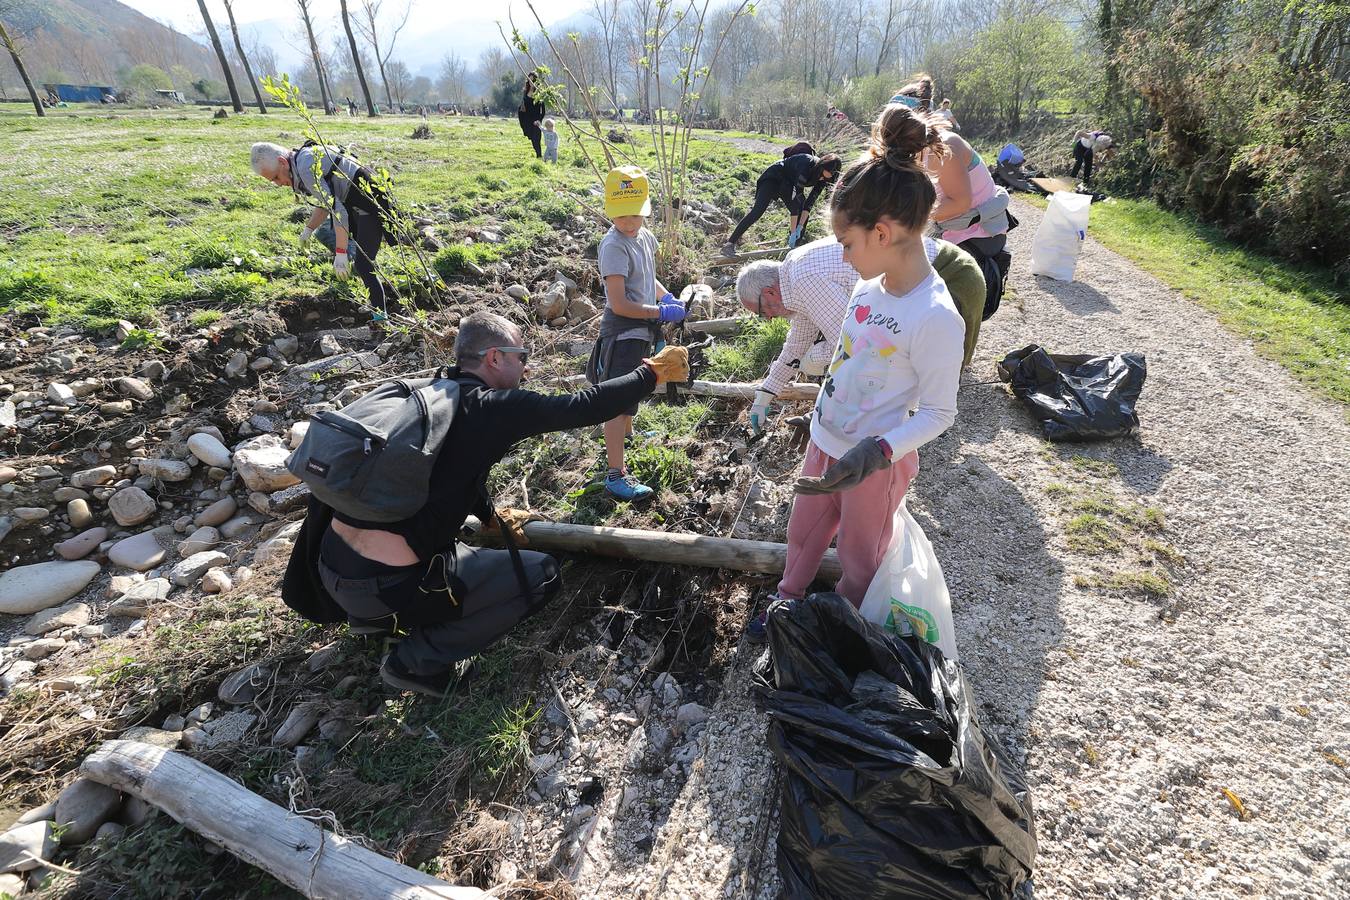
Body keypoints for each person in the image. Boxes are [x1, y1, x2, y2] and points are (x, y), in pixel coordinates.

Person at [284, 311, 690, 697]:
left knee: (456, 554)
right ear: (495, 358)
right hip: (387, 588)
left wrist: (488, 515)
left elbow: (454, 471)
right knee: (540, 575)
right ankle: (414, 661)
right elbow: (585, 407)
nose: (527, 368)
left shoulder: (431, 398)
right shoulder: (490, 406)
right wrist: (650, 373)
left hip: (330, 568)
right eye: (522, 357)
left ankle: (374, 621)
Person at [747, 104, 965, 641]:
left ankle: (846, 629)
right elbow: (844, 357)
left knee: (860, 556)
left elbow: (940, 412)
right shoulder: (867, 288)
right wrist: (799, 403)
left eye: (847, 244)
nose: (842, 258)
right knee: (804, 532)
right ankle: (788, 603)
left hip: (873, 464)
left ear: (883, 233)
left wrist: (880, 451)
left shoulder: (935, 316)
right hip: (826, 438)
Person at [738, 235, 987, 437]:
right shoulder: (793, 280)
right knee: (893, 362)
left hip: (952, 273)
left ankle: (928, 424)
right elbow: (796, 346)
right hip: (925, 274)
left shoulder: (803, 280)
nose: (767, 318)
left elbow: (847, 342)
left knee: (935, 365)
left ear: (770, 292)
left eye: (761, 311)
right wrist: (765, 395)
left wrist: (814, 358)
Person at [587, 165, 687, 501]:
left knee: (633, 388)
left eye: (635, 216)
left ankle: (630, 433)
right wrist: (660, 311)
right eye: (621, 217)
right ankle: (616, 474)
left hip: (642, 327)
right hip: (623, 331)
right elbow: (618, 304)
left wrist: (665, 296)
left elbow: (645, 277)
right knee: (615, 402)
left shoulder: (643, 237)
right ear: (610, 212)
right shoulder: (613, 246)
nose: (629, 223)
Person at [250, 141, 395, 314]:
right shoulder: (302, 160)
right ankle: (377, 305)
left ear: (282, 162)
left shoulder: (304, 168)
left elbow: (337, 210)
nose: (278, 184)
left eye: (275, 177)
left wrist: (341, 252)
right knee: (364, 259)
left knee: (363, 264)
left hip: (369, 199)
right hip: (357, 197)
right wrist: (308, 229)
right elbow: (326, 201)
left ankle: (381, 317)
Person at [721, 152, 842, 257]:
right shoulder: (806, 165)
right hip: (774, 177)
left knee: (803, 215)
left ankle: (794, 248)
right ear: (820, 168)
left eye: (825, 178)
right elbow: (796, 203)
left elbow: (809, 204)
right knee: (757, 211)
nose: (821, 179)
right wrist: (793, 230)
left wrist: (800, 227)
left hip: (787, 184)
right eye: (821, 175)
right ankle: (729, 244)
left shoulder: (824, 179)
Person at [518, 73, 546, 159]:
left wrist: (539, 120)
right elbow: (523, 104)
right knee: (532, 140)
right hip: (527, 119)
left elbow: (543, 110)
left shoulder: (539, 93)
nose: (531, 82)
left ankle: (539, 156)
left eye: (533, 80)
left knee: (536, 139)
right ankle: (538, 156)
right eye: (529, 80)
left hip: (536, 119)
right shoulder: (525, 91)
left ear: (536, 81)